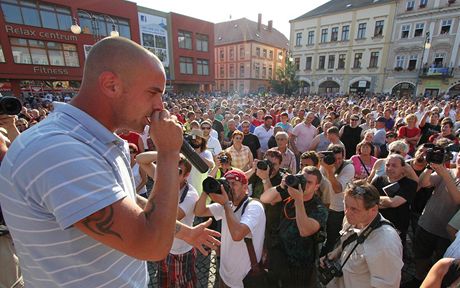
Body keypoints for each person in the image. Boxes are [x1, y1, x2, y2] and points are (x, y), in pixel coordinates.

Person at [0, 37, 220, 287]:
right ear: (111, 85)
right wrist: (169, 154)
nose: (160, 105)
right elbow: (152, 246)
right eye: (153, 92)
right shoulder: (58, 150)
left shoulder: (95, 141)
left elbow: (121, 199)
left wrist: (184, 231)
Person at [322, 181, 403, 288]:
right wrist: (337, 252)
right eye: (346, 205)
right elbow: (349, 239)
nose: (346, 212)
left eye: (354, 209)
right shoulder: (352, 218)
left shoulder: (385, 244)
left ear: (373, 210)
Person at [136, 152, 200, 287]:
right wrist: (168, 153)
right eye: (171, 168)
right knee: (163, 282)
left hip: (180, 252)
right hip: (163, 247)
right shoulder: (165, 180)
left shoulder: (190, 195)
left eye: (178, 171)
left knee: (182, 284)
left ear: (186, 175)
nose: (172, 174)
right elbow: (140, 160)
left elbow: (168, 219)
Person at [194, 170, 266, 288]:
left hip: (244, 278)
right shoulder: (227, 204)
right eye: (227, 184)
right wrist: (206, 190)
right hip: (224, 273)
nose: (230, 188)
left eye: (234, 184)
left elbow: (237, 235)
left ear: (245, 187)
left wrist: (226, 204)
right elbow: (199, 211)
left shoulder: (254, 207)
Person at [260, 166, 328, 287]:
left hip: (300, 267)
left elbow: (304, 230)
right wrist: (281, 187)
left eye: (309, 182)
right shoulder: (290, 195)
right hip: (280, 260)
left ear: (317, 186)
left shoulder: (319, 208)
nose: (304, 184)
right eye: (302, 179)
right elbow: (265, 198)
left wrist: (298, 200)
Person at [371, 154, 418, 248]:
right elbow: (367, 200)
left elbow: (394, 203)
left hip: (396, 229)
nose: (390, 168)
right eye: (387, 165)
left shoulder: (410, 184)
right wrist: (385, 202)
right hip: (375, 227)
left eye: (394, 165)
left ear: (403, 168)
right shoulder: (378, 180)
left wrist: (375, 200)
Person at [321, 145, 355, 255]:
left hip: (338, 209)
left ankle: (327, 261)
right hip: (325, 206)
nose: (337, 161)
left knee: (332, 239)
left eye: (340, 158)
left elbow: (338, 189)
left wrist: (329, 171)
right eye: (335, 159)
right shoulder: (325, 165)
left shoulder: (348, 167)